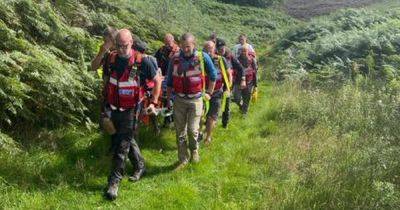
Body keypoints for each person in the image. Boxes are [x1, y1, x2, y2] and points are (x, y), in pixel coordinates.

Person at [103, 29, 160, 200]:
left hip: (132, 110)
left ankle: (114, 182)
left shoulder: (143, 62)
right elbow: (106, 79)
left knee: (121, 146)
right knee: (125, 139)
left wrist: (154, 102)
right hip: (113, 107)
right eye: (118, 46)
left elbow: (157, 80)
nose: (121, 49)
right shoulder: (111, 58)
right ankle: (140, 165)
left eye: (125, 46)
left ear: (132, 43)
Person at [166, 33, 217, 170]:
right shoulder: (175, 59)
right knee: (179, 131)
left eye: (188, 46)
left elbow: (213, 75)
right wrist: (168, 100)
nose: (185, 49)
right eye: (183, 46)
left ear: (194, 45)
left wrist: (209, 93)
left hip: (196, 99)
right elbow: (169, 80)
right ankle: (183, 159)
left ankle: (194, 150)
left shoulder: (202, 57)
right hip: (179, 100)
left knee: (192, 130)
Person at [202, 41, 231, 144]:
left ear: (214, 49)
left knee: (212, 116)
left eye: (210, 48)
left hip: (217, 92)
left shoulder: (220, 60)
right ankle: (201, 132)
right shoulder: (200, 60)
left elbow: (228, 74)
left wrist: (228, 88)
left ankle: (208, 137)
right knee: (201, 116)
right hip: (202, 93)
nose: (208, 51)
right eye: (206, 48)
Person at [215, 38, 245, 128]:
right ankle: (211, 123)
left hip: (228, 85)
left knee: (226, 105)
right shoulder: (213, 57)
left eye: (223, 48)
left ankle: (225, 124)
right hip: (216, 85)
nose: (222, 50)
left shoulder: (230, 56)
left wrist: (242, 79)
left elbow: (240, 68)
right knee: (216, 105)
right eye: (219, 49)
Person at [235, 45, 258, 116]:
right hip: (238, 81)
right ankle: (241, 106)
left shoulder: (252, 59)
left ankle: (244, 112)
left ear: (248, 51)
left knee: (247, 97)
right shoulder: (236, 60)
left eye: (245, 51)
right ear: (240, 51)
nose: (243, 52)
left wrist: (255, 84)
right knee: (237, 98)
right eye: (242, 51)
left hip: (249, 81)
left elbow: (255, 71)